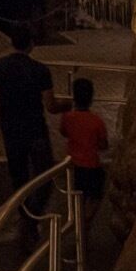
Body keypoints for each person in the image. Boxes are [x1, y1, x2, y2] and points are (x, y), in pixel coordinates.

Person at [0, 27, 59, 219]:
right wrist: (70, 105)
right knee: (46, 175)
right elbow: (51, 105)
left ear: (11, 42)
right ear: (31, 44)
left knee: (19, 178)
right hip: (36, 130)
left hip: (11, 130)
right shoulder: (40, 70)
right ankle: (32, 217)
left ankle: (25, 218)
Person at [58, 76, 109, 209]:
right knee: (94, 196)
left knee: (75, 197)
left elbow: (63, 132)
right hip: (91, 166)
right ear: (91, 98)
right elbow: (103, 145)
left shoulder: (68, 117)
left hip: (73, 166)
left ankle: (77, 218)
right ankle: (87, 219)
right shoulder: (97, 121)